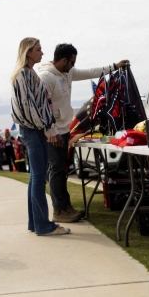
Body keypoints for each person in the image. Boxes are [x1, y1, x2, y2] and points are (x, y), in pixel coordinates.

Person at [38, 43, 129, 223]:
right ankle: (59, 210)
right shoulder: (46, 77)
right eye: (71, 62)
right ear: (63, 60)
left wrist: (114, 67)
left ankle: (65, 207)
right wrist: (52, 131)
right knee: (56, 170)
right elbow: (42, 108)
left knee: (60, 169)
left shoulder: (67, 72)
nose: (73, 66)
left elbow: (90, 72)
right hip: (54, 131)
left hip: (64, 129)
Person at [11, 37, 69, 236]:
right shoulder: (24, 74)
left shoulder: (29, 73)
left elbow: (38, 105)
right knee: (38, 177)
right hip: (33, 130)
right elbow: (29, 106)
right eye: (38, 49)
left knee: (36, 177)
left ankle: (36, 222)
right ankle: (43, 224)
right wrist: (47, 128)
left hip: (35, 129)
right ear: (28, 52)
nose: (42, 53)